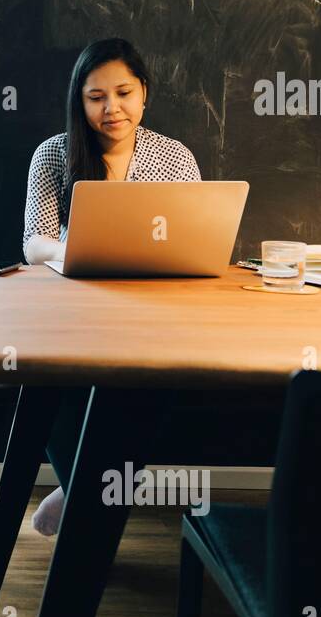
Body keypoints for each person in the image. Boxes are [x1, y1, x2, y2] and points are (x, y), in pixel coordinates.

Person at [22, 37, 202, 535]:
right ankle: (88, 490)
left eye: (123, 93)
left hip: (152, 307)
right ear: (79, 101)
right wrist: (84, 248)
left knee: (160, 379)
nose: (112, 108)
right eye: (96, 96)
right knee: (54, 378)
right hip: (72, 305)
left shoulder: (175, 158)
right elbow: (35, 244)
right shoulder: (55, 154)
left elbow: (194, 239)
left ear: (143, 92)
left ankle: (80, 488)